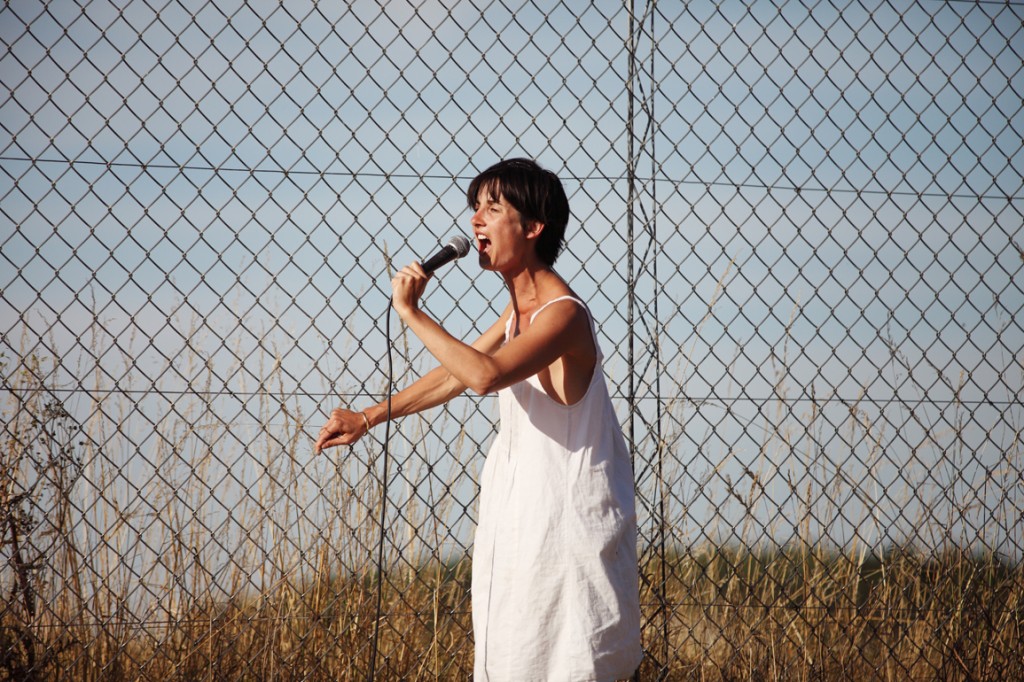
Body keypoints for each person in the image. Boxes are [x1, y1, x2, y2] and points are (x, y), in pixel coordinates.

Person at [315, 158, 642, 681]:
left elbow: (486, 375)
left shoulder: (564, 315)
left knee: (572, 662)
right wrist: (369, 417)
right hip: (520, 530)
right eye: (475, 208)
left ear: (533, 227)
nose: (476, 221)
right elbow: (456, 376)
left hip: (566, 537)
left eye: (493, 208)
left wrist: (412, 313)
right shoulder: (517, 316)